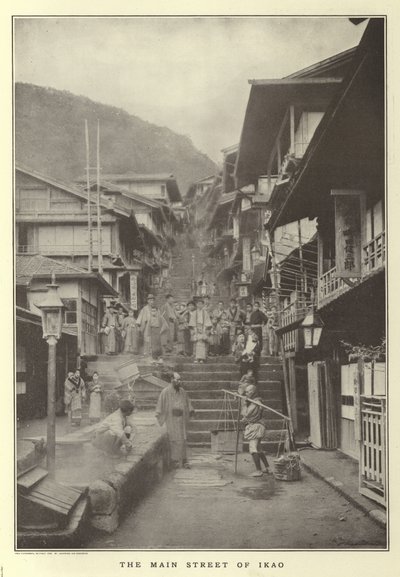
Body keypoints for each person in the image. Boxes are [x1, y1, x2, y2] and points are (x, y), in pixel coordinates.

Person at [155, 372, 195, 469]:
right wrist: (159, 414)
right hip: (171, 419)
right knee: (173, 440)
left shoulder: (182, 391)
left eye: (180, 380)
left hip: (181, 420)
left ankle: (185, 460)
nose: (179, 382)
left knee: (183, 440)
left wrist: (191, 410)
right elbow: (160, 405)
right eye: (177, 380)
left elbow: (187, 402)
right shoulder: (165, 391)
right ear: (172, 380)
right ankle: (175, 461)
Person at [241, 384, 271, 477]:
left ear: (253, 392)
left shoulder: (256, 402)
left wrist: (244, 404)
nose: (247, 393)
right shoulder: (254, 402)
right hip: (256, 425)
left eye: (248, 391)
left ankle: (258, 470)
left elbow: (246, 414)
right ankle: (268, 468)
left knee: (253, 448)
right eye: (246, 391)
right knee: (259, 448)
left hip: (256, 427)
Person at [137, 295, 168, 359]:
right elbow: (140, 318)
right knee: (147, 339)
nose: (152, 302)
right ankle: (146, 352)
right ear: (148, 301)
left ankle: (154, 354)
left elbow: (160, 318)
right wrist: (139, 325)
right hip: (147, 326)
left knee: (155, 341)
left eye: (153, 300)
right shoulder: (145, 309)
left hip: (155, 327)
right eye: (150, 300)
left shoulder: (156, 309)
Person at [189, 298, 212, 363]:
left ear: (203, 305)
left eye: (201, 304)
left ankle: (202, 358)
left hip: (204, 328)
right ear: (196, 305)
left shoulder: (205, 313)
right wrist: (194, 329)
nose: (200, 305)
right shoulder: (194, 313)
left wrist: (205, 330)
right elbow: (192, 323)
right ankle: (196, 358)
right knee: (196, 343)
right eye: (198, 304)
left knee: (203, 344)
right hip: (196, 328)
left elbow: (208, 322)